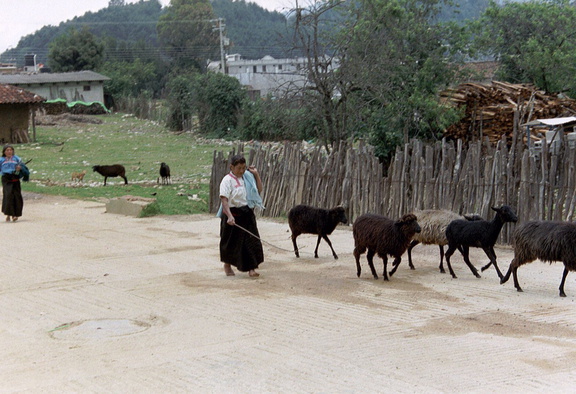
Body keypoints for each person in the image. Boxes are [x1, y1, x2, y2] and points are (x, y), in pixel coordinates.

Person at [219, 154, 264, 277]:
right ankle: (227, 265)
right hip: (232, 213)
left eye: (244, 168)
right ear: (231, 167)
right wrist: (229, 216)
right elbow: (224, 200)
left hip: (246, 213)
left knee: (251, 240)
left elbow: (259, 189)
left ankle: (251, 269)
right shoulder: (227, 180)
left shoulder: (247, 177)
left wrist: (256, 174)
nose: (242, 171)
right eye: (239, 168)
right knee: (230, 242)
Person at [0, 145, 24, 222]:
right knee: (8, 195)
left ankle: (14, 215)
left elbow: (22, 168)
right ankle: (8, 214)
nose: (9, 152)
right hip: (6, 179)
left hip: (15, 178)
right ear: (4, 152)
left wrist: (19, 169)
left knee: (16, 195)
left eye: (10, 150)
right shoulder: (1, 160)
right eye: (7, 150)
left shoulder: (17, 158)